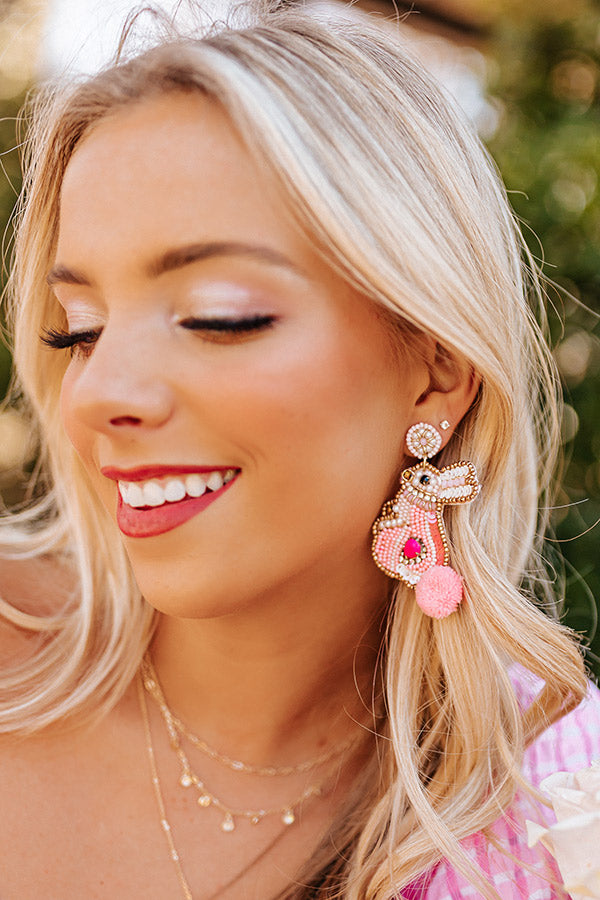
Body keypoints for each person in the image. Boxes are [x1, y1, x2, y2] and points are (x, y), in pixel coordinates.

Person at [0, 4, 598, 898]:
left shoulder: (559, 812)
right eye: (77, 331)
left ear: (436, 368)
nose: (99, 394)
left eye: (219, 316)